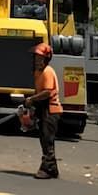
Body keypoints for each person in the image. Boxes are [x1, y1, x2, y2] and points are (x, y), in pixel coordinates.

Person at [24, 42, 62, 179]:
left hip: (51, 110)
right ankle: (52, 168)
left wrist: (32, 99)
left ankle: (46, 169)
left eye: (40, 58)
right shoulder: (37, 73)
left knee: (47, 139)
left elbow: (47, 92)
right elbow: (38, 91)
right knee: (44, 139)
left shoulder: (48, 72)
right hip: (43, 108)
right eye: (36, 58)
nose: (37, 60)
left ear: (46, 59)